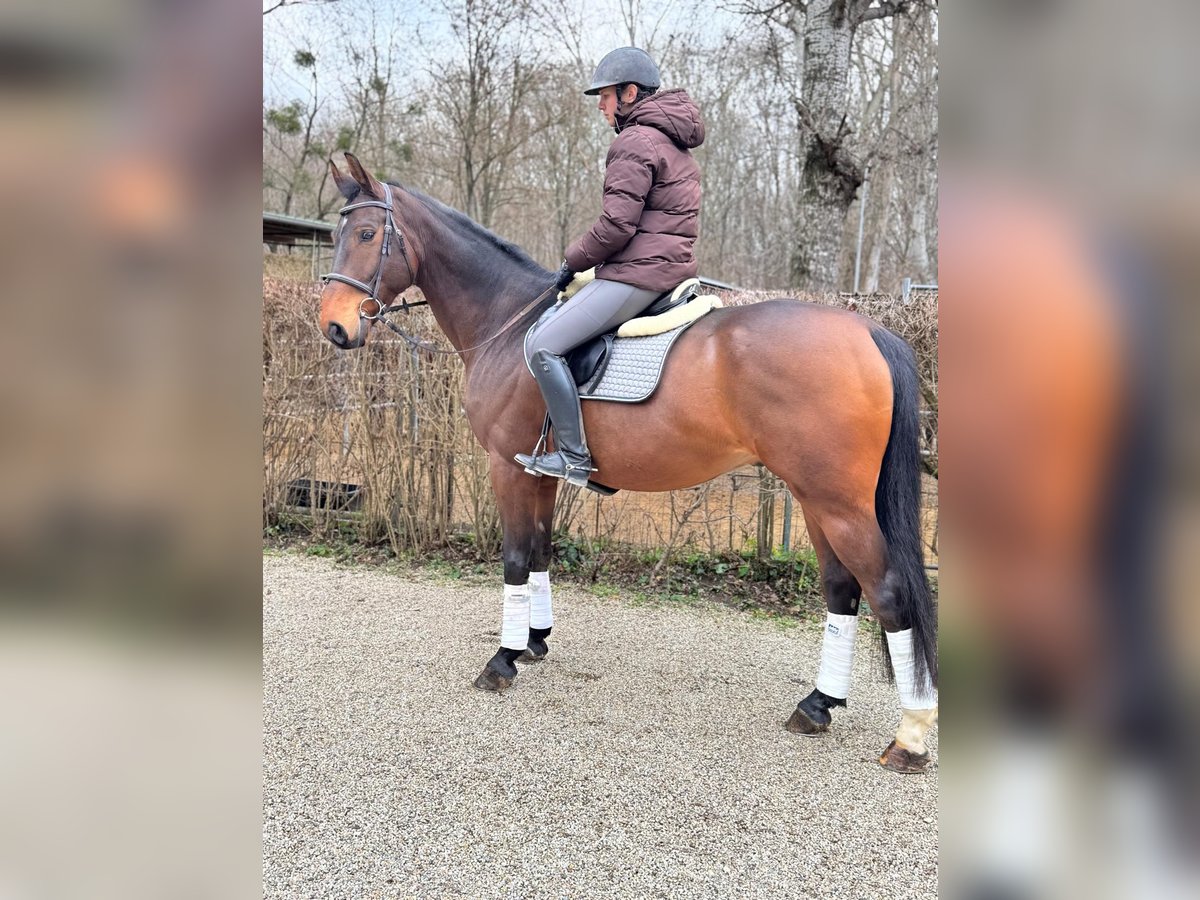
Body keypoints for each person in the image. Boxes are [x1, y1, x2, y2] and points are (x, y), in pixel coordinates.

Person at [515, 46, 706, 485]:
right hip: (669, 273)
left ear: (630, 93)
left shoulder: (634, 141)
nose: (600, 106)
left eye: (604, 96)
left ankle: (574, 457)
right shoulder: (676, 145)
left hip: (638, 276)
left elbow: (616, 226)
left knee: (542, 344)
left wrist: (571, 260)